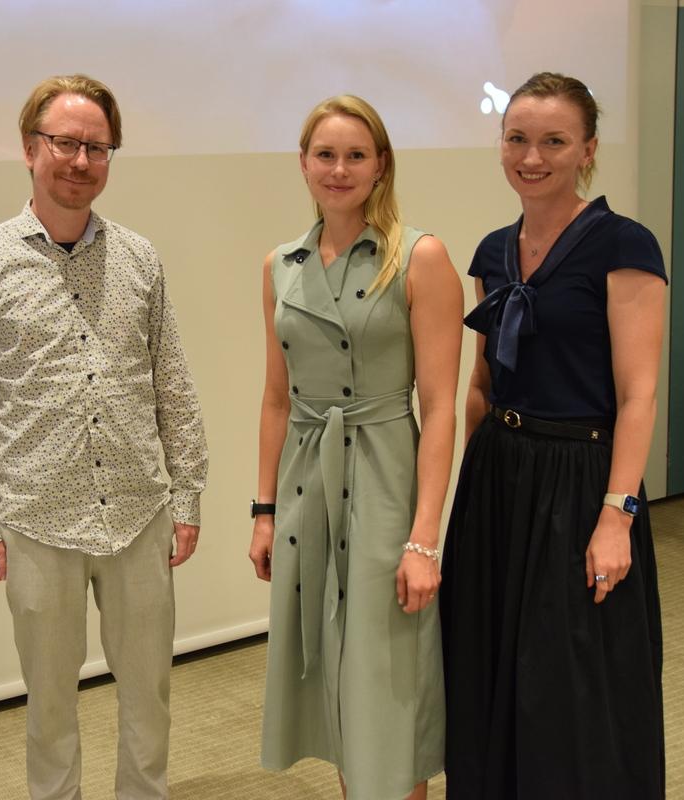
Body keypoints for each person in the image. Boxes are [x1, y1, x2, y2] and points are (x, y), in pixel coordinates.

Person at [0, 74, 208, 800]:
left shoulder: (139, 258)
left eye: (97, 147)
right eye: (65, 143)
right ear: (30, 147)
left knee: (149, 695)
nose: (80, 160)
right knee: (50, 704)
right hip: (37, 520)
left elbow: (172, 382)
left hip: (138, 512)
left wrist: (187, 494)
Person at [439, 72, 667, 799]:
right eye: (517, 139)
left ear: (587, 149)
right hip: (499, 473)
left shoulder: (624, 245)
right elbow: (482, 384)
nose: (530, 157)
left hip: (580, 480)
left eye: (553, 141)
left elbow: (637, 396)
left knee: (568, 680)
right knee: (487, 662)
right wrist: (471, 491)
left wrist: (616, 517)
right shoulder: (492, 251)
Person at [249, 95, 462, 799]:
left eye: (355, 155)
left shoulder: (419, 257)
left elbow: (439, 407)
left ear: (380, 166)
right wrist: (263, 511)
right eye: (325, 155)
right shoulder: (280, 265)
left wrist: (423, 538)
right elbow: (275, 397)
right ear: (303, 164)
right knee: (334, 679)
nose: (338, 169)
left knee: (386, 679)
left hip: (384, 479)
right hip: (307, 484)